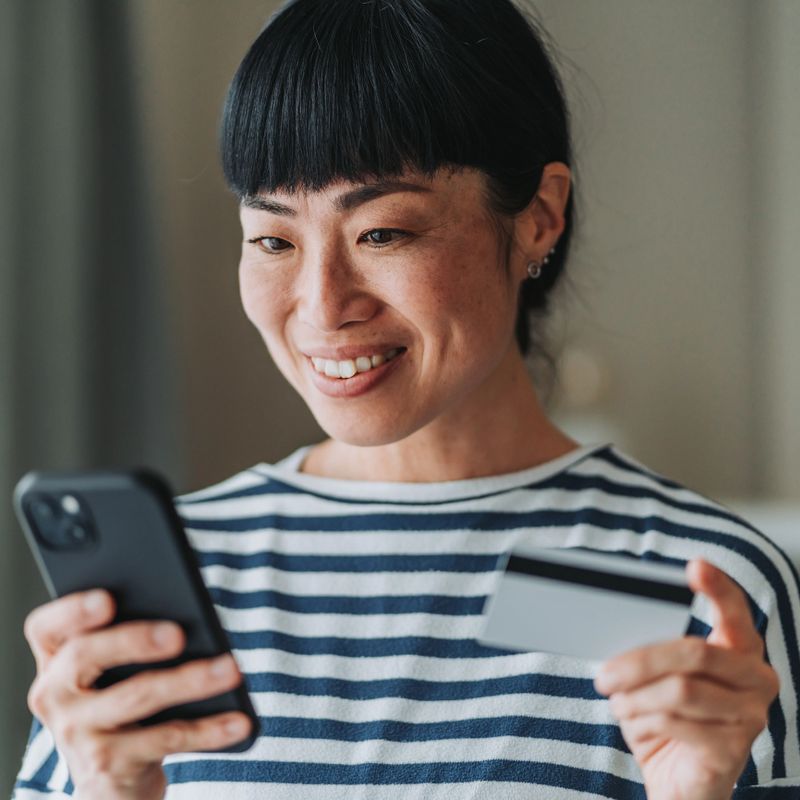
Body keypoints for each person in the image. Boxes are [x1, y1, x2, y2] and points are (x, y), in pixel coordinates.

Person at [12, 0, 800, 798]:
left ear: (538, 216)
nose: (323, 306)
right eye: (274, 240)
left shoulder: (702, 586)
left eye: (382, 233)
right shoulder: (171, 584)